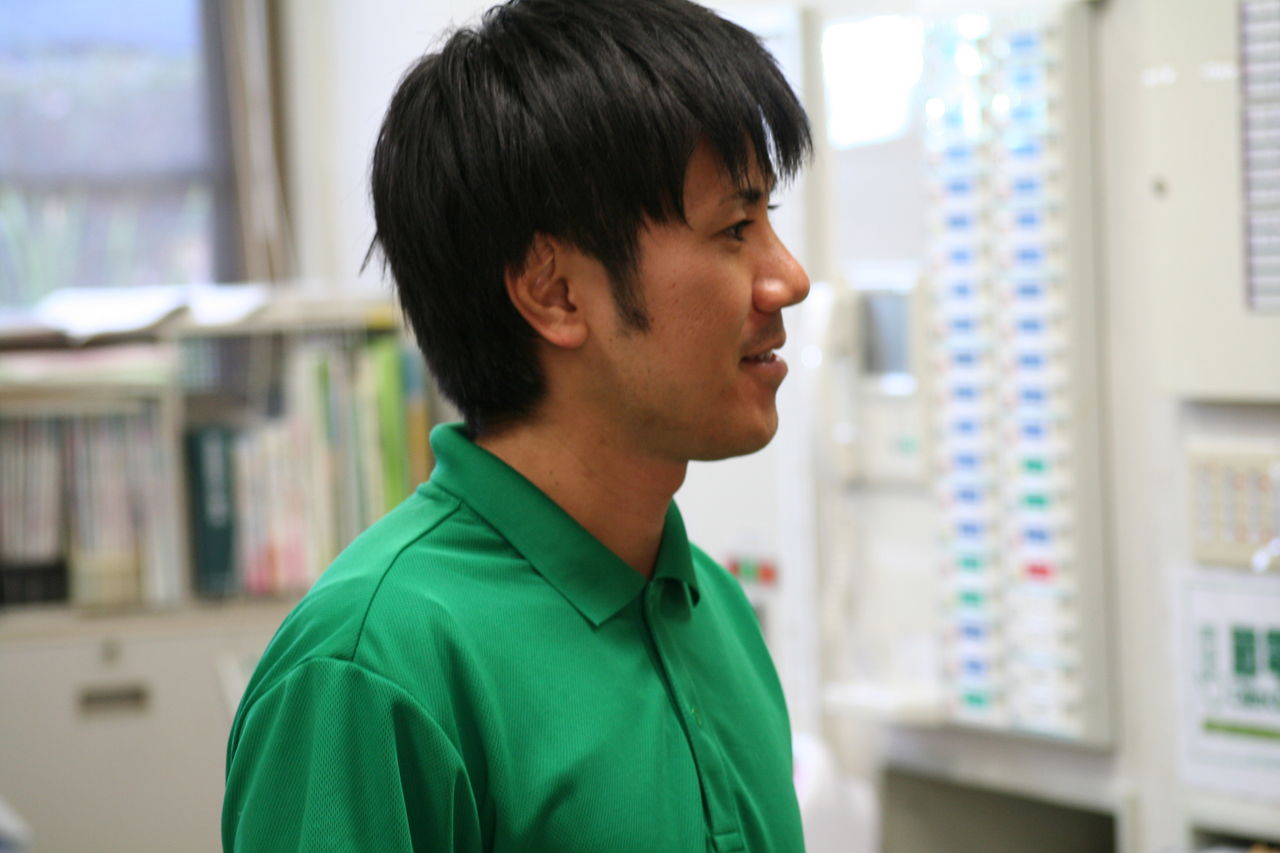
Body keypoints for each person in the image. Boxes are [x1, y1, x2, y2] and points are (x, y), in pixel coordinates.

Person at [222, 0, 812, 850]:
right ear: (555, 291)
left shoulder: (711, 607)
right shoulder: (369, 667)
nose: (787, 277)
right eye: (735, 227)